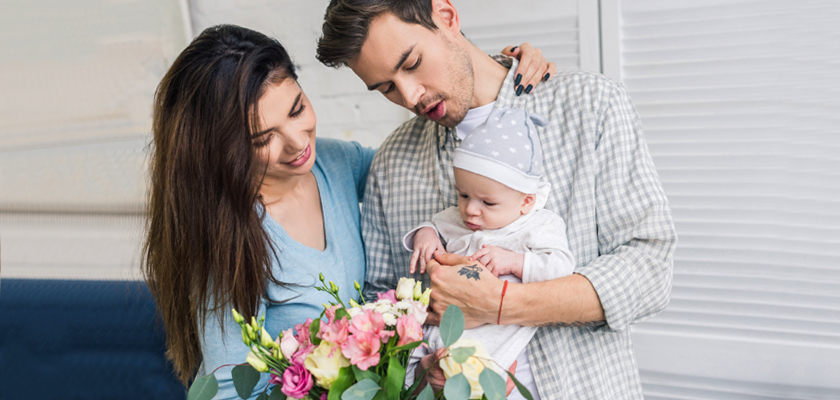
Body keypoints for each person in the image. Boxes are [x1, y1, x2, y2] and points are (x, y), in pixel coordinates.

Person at [142, 24, 551, 399]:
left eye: (297, 109)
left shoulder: (335, 163)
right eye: (263, 138)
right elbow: (226, 391)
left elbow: (447, 172)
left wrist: (499, 84)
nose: (297, 142)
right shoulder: (228, 243)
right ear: (221, 148)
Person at [316, 0, 678, 398]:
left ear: (448, 17)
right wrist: (421, 372)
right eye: (386, 87)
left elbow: (650, 269)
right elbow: (380, 304)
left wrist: (502, 303)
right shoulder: (391, 163)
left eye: (412, 63)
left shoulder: (588, 106)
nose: (410, 96)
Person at [403, 107, 576, 400]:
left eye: (488, 202)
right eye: (464, 195)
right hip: (442, 332)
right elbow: (433, 224)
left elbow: (561, 267)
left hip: (498, 337)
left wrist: (515, 261)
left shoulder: (539, 224)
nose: (471, 209)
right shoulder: (454, 219)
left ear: (526, 201)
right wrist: (425, 235)